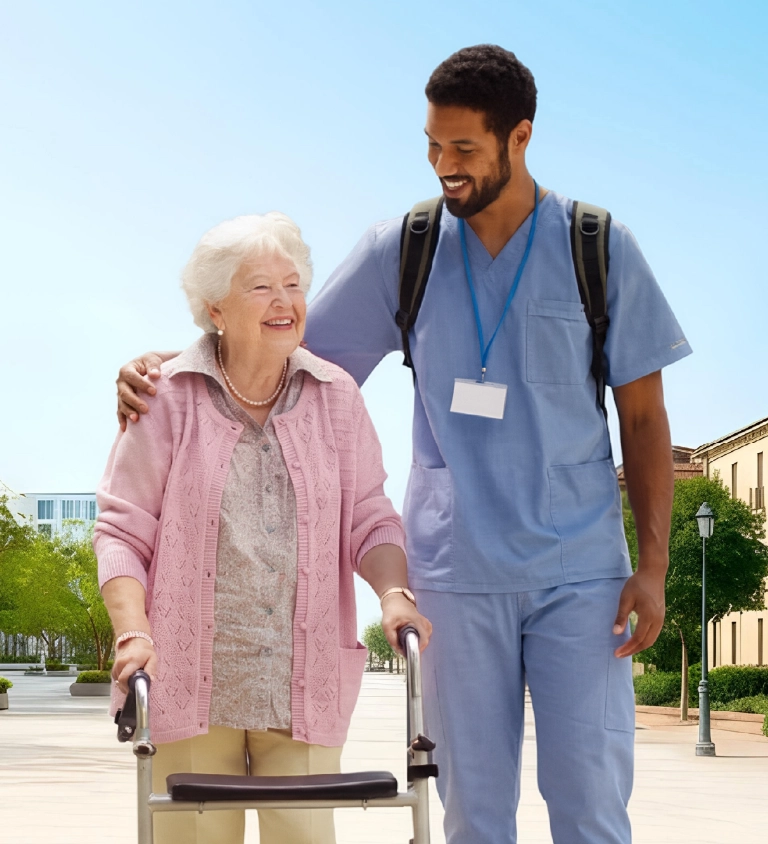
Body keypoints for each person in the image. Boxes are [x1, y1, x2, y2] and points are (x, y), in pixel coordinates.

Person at [116, 46, 690, 844]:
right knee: (473, 813)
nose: (443, 167)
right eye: (431, 146)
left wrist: (654, 565)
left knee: (591, 805)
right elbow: (277, 344)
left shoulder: (598, 247)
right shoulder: (408, 247)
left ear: (519, 138)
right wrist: (167, 366)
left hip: (580, 577)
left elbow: (647, 423)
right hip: (452, 576)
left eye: (464, 150)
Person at [96, 211, 431, 844]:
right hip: (187, 682)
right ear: (215, 308)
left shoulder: (336, 397)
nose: (285, 302)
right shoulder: (164, 397)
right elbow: (122, 531)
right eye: (260, 287)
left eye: (294, 283)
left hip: (300, 688)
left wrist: (393, 594)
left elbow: (370, 515)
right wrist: (132, 632)